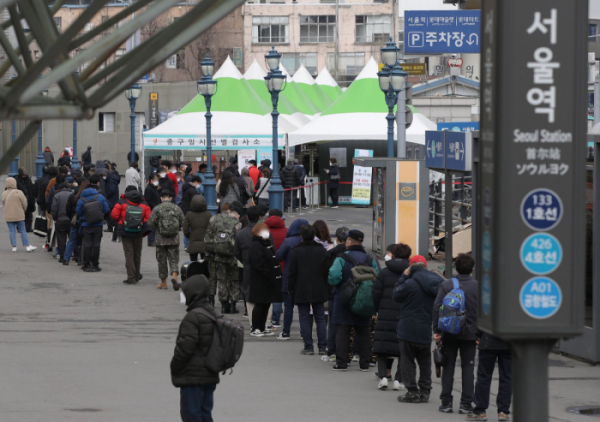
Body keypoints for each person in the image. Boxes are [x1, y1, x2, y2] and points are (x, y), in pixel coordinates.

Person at [393, 255, 443, 403]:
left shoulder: (409, 283)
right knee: (425, 361)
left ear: (411, 267)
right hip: (425, 328)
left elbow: (395, 295)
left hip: (407, 328)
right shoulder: (434, 284)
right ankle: (425, 390)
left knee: (407, 361)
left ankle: (412, 391)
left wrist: (403, 277)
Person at [433, 253, 478, 414]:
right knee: (468, 368)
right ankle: (466, 404)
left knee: (448, 367)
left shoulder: (446, 285)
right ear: (472, 269)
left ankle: (446, 403)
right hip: (470, 334)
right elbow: (483, 313)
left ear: (456, 268)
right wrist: (479, 334)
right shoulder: (477, 286)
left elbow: (437, 307)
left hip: (449, 332)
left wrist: (437, 331)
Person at [170, 274, 219, 422]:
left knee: (191, 415)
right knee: (205, 414)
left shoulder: (193, 317)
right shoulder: (211, 312)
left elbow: (185, 348)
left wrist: (175, 367)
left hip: (193, 375)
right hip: (209, 372)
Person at [328, 229, 379, 371]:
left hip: (343, 298)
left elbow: (334, 276)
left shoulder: (341, 257)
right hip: (363, 299)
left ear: (349, 242)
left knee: (342, 331)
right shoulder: (370, 258)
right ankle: (364, 363)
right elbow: (377, 278)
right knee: (363, 331)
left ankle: (342, 363)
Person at [373, 243, 411, 391]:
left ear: (393, 255)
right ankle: (398, 379)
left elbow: (376, 292)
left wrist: (378, 309)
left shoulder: (384, 272)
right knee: (403, 348)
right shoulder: (411, 273)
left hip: (385, 313)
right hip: (404, 315)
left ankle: (383, 377)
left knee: (382, 346)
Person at [288, 224, 329, 355]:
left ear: (302, 236)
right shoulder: (322, 250)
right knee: (320, 318)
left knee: (304, 318)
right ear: (314, 236)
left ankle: (308, 346)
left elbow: (292, 273)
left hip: (301, 287)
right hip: (319, 287)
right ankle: (322, 346)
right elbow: (326, 271)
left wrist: (291, 290)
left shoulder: (295, 251)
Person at [274, 218, 309, 340]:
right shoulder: (308, 241)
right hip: (305, 278)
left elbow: (278, 256)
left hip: (289, 277)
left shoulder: (288, 241)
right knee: (303, 308)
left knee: (288, 306)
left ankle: (286, 332)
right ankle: (304, 333)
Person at [205, 202, 242, 313]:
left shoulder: (214, 220)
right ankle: (233, 305)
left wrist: (209, 253)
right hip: (233, 257)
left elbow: (208, 238)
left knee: (222, 280)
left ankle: (223, 305)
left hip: (218, 256)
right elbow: (239, 241)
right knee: (234, 280)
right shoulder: (237, 223)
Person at [111, 187, 152, 285]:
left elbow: (114, 215)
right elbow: (149, 218)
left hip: (125, 231)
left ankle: (131, 277)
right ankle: (137, 274)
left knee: (129, 254)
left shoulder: (122, 202)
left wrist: (122, 221)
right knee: (137, 254)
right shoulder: (144, 204)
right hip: (138, 231)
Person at [248, 223, 283, 337]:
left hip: (268, 280)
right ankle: (255, 327)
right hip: (260, 280)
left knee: (266, 304)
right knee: (260, 304)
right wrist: (268, 274)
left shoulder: (266, 244)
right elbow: (259, 263)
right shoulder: (256, 245)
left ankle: (262, 327)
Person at [468, 333, 512, 422]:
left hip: (488, 341)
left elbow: (482, 320)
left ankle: (480, 411)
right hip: (509, 342)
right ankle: (503, 411)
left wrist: (478, 335)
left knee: (484, 376)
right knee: (507, 377)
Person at [320, 226, 350, 361]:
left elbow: (325, 273)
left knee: (333, 322)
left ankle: (331, 350)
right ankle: (352, 352)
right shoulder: (355, 254)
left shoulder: (330, 254)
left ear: (336, 239)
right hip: (352, 292)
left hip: (333, 292)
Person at [148, 190, 184, 290]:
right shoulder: (176, 208)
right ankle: (174, 275)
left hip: (160, 239)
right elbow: (182, 222)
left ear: (161, 198)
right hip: (174, 239)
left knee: (161, 260)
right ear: (171, 198)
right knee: (174, 259)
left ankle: (163, 282)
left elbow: (150, 222)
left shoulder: (157, 208)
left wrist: (159, 227)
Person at [75, 175, 110, 272]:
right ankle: (95, 264)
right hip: (98, 224)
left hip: (86, 224)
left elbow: (78, 212)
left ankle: (86, 264)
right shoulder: (100, 196)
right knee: (96, 245)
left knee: (87, 244)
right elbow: (106, 209)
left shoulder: (82, 199)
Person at [235, 206, 262, 319]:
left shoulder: (241, 234)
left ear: (247, 217)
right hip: (261, 265)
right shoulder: (264, 232)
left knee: (248, 288)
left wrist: (244, 260)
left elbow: (236, 252)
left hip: (247, 265)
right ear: (260, 217)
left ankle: (248, 311)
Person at [265, 209, 287, 326]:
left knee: (269, 292)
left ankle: (267, 318)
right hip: (283, 266)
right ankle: (276, 318)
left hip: (268, 266)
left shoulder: (264, 232)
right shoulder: (286, 232)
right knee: (279, 292)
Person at [3, 177, 36, 252]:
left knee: (12, 231)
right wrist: (23, 210)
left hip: (8, 215)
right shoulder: (19, 192)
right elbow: (25, 203)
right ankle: (27, 245)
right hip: (19, 214)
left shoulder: (4, 193)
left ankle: (14, 247)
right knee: (22, 230)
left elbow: (4, 203)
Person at [63, 178, 89, 266]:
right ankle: (80, 259)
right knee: (83, 241)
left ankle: (66, 259)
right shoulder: (88, 197)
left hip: (74, 220)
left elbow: (68, 209)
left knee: (72, 240)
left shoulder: (73, 196)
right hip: (85, 220)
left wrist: (71, 217)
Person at [183, 195, 211, 262]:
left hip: (193, 241)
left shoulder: (189, 214)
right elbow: (211, 228)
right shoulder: (208, 214)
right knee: (204, 262)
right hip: (205, 242)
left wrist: (190, 236)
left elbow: (185, 229)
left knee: (193, 262)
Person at [51, 182, 74, 263]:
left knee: (61, 239)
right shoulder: (72, 195)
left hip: (60, 219)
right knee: (72, 239)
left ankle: (62, 256)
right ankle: (75, 256)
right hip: (70, 220)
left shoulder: (57, 196)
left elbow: (54, 209)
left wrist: (55, 218)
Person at [16, 168, 36, 232]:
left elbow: (31, 189)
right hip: (20, 201)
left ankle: (28, 227)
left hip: (29, 200)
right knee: (21, 216)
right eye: (23, 175)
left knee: (29, 215)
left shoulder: (28, 180)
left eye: (25, 175)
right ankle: (20, 228)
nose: (24, 176)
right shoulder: (16, 180)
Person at [144, 173, 162, 247]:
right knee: (152, 227)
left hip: (155, 209)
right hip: (152, 210)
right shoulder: (149, 189)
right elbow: (148, 200)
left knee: (154, 227)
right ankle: (151, 241)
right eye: (155, 179)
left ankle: (153, 240)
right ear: (151, 180)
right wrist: (155, 207)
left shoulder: (153, 188)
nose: (157, 181)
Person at [103, 168, 121, 233]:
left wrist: (106, 195)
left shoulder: (110, 181)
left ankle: (110, 227)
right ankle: (112, 226)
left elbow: (111, 189)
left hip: (111, 199)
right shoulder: (113, 179)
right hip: (114, 199)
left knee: (109, 214)